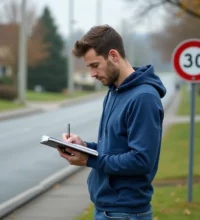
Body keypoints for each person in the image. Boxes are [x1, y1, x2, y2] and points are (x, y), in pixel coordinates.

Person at [57, 25, 166, 220]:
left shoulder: (143, 98)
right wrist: (84, 147)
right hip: (107, 209)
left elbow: (141, 160)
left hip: (125, 213)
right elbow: (115, 148)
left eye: (95, 65)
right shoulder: (114, 92)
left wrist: (90, 160)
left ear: (114, 56)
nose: (92, 74)